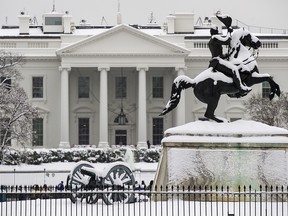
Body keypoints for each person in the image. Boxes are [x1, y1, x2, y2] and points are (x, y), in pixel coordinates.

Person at [208, 25, 251, 95]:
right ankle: (241, 88)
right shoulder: (215, 38)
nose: (218, 32)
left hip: (216, 60)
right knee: (234, 69)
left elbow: (219, 54)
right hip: (217, 62)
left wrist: (226, 55)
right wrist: (229, 31)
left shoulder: (212, 40)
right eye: (217, 31)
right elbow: (227, 41)